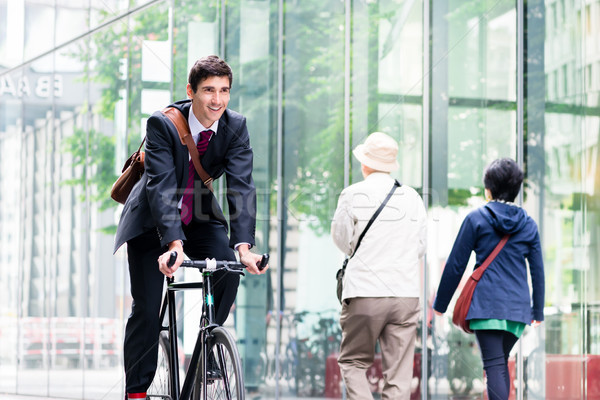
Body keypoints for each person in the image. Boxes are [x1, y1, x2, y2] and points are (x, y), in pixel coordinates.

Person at [113, 55, 268, 399]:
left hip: (198, 217)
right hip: (153, 222)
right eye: (209, 90)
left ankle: (207, 345)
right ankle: (136, 391)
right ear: (191, 91)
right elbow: (161, 186)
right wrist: (173, 244)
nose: (217, 99)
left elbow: (241, 186)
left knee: (227, 267)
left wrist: (244, 248)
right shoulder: (163, 124)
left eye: (224, 90)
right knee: (148, 307)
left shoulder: (235, 126)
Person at [433, 158, 545, 400]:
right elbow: (537, 271)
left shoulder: (477, 219)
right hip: (517, 310)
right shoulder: (529, 225)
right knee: (499, 363)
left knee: (494, 365)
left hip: (486, 307)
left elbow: (455, 264)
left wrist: (440, 305)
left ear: (489, 189)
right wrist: (537, 312)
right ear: (516, 190)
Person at [331, 132, 427, 400]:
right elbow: (420, 246)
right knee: (399, 375)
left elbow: (341, 240)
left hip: (364, 291)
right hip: (405, 293)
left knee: (353, 362)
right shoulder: (413, 198)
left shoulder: (352, 194)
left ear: (365, 164)